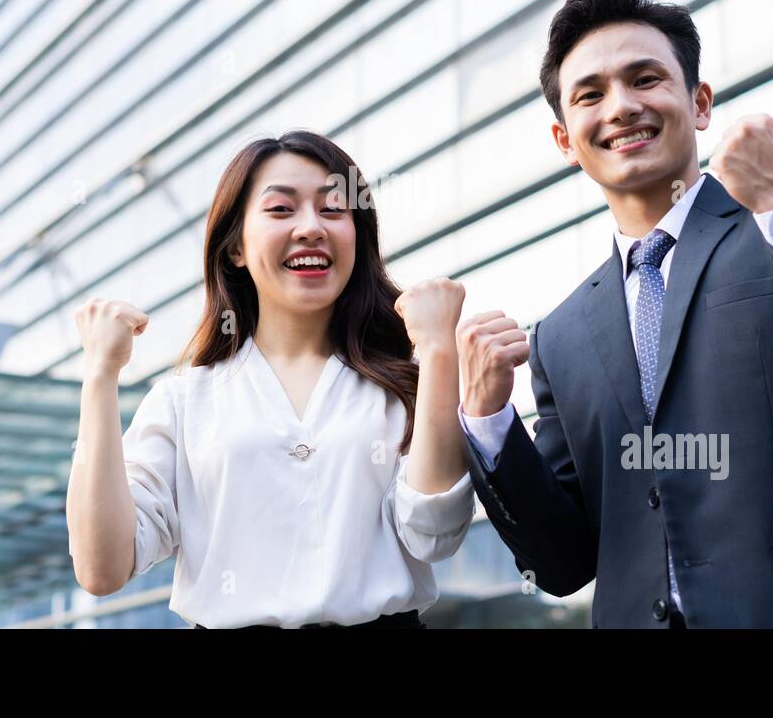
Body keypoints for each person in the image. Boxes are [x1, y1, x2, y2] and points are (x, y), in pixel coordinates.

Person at [455, 0, 773, 628]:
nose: (621, 106)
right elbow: (563, 562)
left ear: (701, 101)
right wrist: (489, 425)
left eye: (645, 79)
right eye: (590, 95)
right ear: (566, 142)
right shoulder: (560, 336)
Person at [66, 130, 474, 628]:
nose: (311, 228)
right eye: (281, 210)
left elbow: (435, 533)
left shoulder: (405, 389)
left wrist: (437, 353)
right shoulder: (183, 402)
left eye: (333, 210)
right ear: (235, 247)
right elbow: (101, 568)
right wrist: (100, 377)